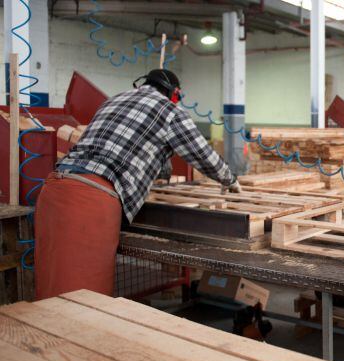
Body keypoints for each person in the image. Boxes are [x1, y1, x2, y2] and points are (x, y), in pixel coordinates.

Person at [35, 69, 242, 300]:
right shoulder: (170, 111)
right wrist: (229, 179)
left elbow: (140, 150)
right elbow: (202, 155)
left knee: (50, 290)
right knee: (84, 300)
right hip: (89, 202)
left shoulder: (113, 100)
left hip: (54, 190)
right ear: (174, 94)